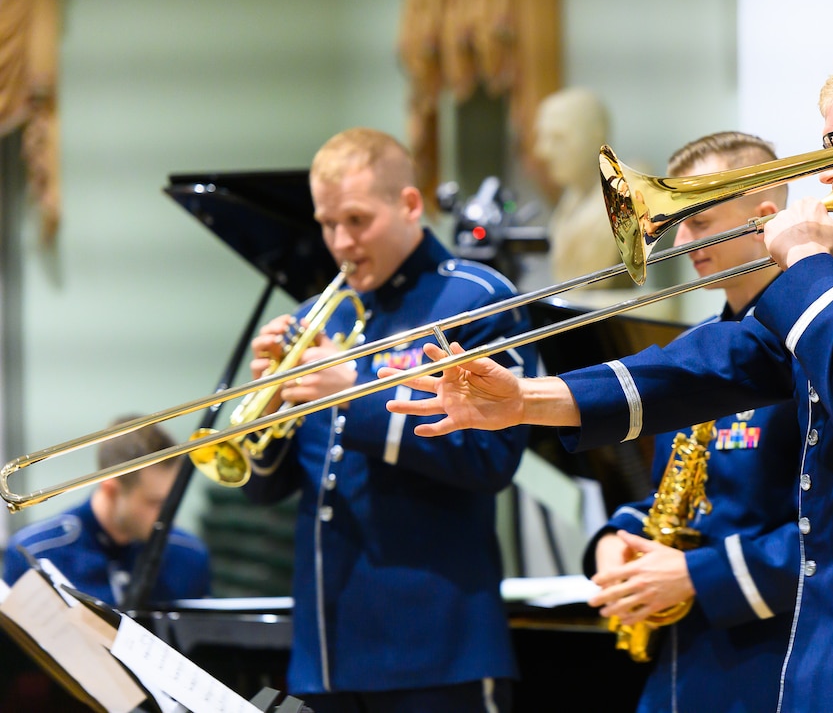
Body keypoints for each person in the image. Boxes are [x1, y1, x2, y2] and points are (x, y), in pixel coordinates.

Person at [384, 43, 833, 711]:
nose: (827, 174)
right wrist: (526, 399)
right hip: (824, 657)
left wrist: (806, 264)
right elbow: (721, 361)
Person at [241, 127, 537, 713]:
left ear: (408, 205)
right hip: (324, 657)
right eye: (327, 224)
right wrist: (270, 402)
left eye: (356, 220)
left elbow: (491, 460)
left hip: (436, 653)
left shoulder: (477, 300)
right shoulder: (313, 320)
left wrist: (354, 393)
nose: (340, 242)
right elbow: (263, 488)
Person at [585, 131, 801, 713]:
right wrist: (617, 541)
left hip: (772, 667)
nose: (682, 240)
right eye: (677, 222)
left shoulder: (816, 345)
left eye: (699, 221)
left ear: (764, 216)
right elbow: (669, 496)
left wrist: (698, 576)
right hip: (682, 668)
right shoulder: (694, 347)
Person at [1, 415, 211, 606]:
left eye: (172, 502)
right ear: (110, 489)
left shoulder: (190, 556)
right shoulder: (34, 554)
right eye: (154, 503)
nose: (169, 516)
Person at [533, 87, 626, 288]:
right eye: (542, 137)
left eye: (558, 137)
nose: (542, 151)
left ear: (596, 136)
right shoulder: (571, 200)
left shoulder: (620, 206)